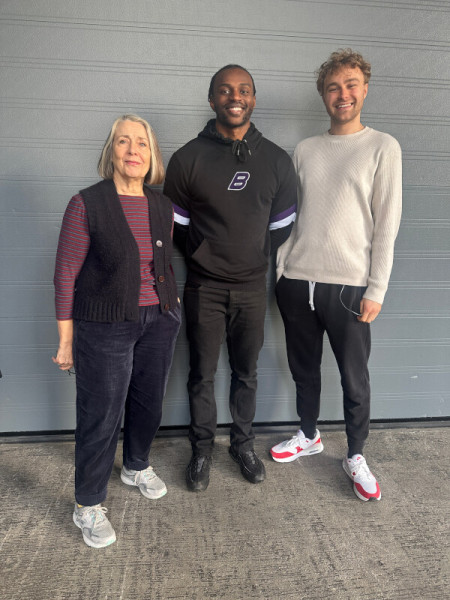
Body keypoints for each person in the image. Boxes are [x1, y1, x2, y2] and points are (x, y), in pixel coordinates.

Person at [270, 49, 402, 502]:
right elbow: (291, 215)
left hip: (349, 289)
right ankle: (308, 435)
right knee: (303, 370)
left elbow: (387, 224)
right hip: (296, 283)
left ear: (364, 89)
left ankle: (356, 455)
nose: (342, 94)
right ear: (323, 95)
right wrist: (282, 268)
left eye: (350, 85)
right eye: (333, 87)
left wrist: (377, 288)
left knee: (353, 377)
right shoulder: (305, 150)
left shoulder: (383, 147)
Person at [163, 64, 297, 492]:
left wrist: (254, 256)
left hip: (252, 289)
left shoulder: (276, 160)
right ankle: (202, 449)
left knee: (247, 372)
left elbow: (284, 222)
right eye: (224, 90)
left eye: (243, 90)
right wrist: (205, 256)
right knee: (200, 374)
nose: (234, 97)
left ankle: (242, 444)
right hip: (204, 287)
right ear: (212, 99)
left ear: (253, 99)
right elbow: (177, 225)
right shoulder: (188, 158)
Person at [53, 114, 181, 547]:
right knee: (100, 414)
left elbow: (158, 263)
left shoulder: (161, 205)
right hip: (104, 325)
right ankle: (87, 504)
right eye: (123, 142)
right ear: (111, 152)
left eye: (141, 144)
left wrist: (171, 309)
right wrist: (66, 340)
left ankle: (136, 464)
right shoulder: (86, 203)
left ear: (151, 155)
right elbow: (66, 273)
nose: (133, 151)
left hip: (158, 320)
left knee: (148, 405)